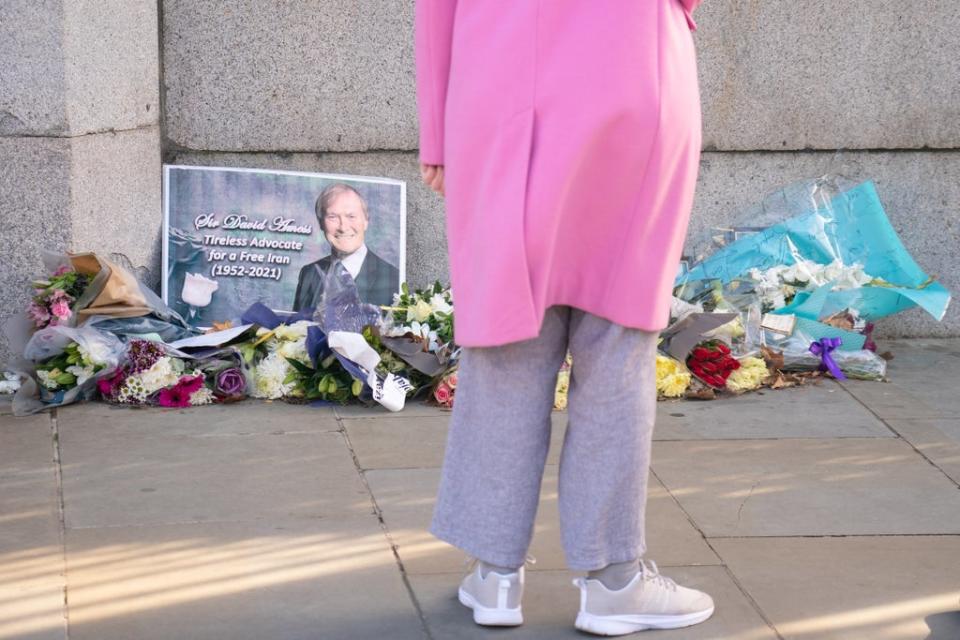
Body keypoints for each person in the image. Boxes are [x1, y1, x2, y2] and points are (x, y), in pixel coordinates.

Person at [415, 0, 713, 635]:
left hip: (498, 86)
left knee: (507, 337)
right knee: (618, 339)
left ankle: (495, 574)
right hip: (633, 77)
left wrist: (437, 130)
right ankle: (613, 580)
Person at [293, 183, 399, 310]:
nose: (343, 227)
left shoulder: (393, 279)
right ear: (321, 223)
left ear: (366, 221)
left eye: (351, 216)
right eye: (332, 217)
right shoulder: (309, 273)